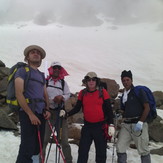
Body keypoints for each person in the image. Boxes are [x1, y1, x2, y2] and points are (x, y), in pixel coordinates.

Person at [60, 72, 115, 163]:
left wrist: (111, 124)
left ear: (96, 81)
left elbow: (109, 109)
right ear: (86, 81)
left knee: (101, 153)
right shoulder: (82, 93)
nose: (91, 81)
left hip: (100, 126)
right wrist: (67, 114)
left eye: (93, 79)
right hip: (87, 127)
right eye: (89, 79)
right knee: (83, 151)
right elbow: (77, 108)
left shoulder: (103, 92)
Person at [15, 45, 51, 163]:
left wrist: (47, 109)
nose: (36, 54)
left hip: (41, 114)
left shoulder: (41, 75)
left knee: (37, 146)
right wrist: (30, 114)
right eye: (33, 52)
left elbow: (45, 94)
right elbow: (19, 94)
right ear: (27, 57)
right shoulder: (22, 71)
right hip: (28, 113)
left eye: (38, 53)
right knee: (27, 146)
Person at [116, 70, 151, 163]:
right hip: (127, 125)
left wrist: (140, 122)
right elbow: (125, 110)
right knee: (120, 147)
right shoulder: (124, 94)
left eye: (127, 80)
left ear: (131, 80)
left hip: (138, 124)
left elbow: (147, 107)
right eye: (123, 80)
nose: (125, 82)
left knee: (143, 150)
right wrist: (119, 113)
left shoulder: (139, 91)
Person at [43, 61, 73, 163]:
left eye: (58, 68)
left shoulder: (63, 83)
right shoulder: (46, 82)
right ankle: (41, 160)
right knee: (44, 140)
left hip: (60, 113)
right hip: (47, 113)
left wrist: (61, 97)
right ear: (51, 69)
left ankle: (68, 161)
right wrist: (52, 100)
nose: (56, 69)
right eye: (55, 67)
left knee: (64, 141)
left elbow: (68, 94)